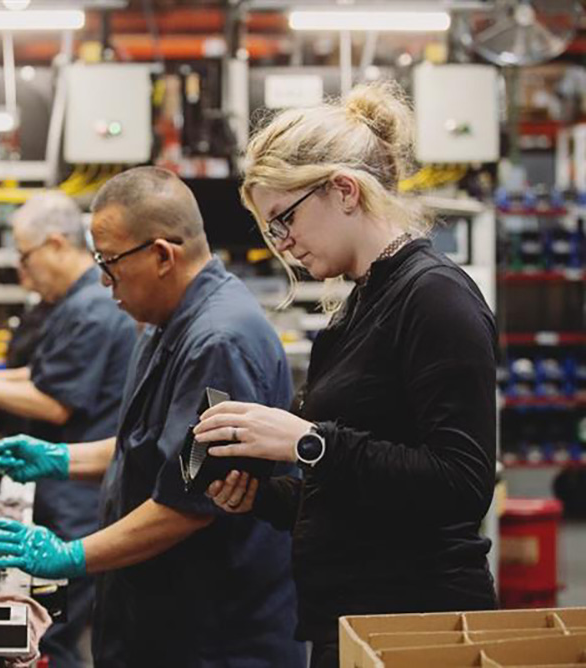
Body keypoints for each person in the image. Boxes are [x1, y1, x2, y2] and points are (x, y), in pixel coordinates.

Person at [192, 81, 498, 668]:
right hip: (352, 618)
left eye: (284, 220)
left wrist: (306, 441)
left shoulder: (434, 298)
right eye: (268, 230)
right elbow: (352, 490)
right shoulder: (358, 303)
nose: (283, 245)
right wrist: (260, 497)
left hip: (417, 624)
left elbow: (461, 484)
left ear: (344, 190)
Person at [0, 167, 304, 668]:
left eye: (110, 264)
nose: (104, 282)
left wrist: (72, 555)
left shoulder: (219, 343)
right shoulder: (166, 322)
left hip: (213, 636)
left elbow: (190, 500)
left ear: (161, 256)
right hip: (159, 616)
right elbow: (157, 446)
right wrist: (60, 458)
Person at [0, 191, 136, 667]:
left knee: (55, 638)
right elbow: (42, 376)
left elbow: (55, 403)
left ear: (57, 244)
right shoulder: (73, 303)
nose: (24, 270)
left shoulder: (91, 309)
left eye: (26, 255)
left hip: (81, 498)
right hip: (70, 488)